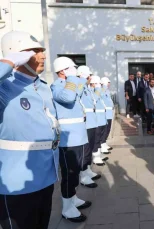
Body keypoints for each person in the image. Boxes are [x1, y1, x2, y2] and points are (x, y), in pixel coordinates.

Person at [0, 31, 59, 229]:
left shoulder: (42, 87)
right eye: (34, 51)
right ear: (18, 55)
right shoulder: (4, 87)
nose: (42, 55)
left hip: (45, 176)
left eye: (42, 50)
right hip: (16, 181)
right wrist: (8, 62)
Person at [52, 57, 92, 223]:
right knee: (69, 174)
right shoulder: (57, 86)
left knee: (75, 171)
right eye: (71, 68)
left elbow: (79, 93)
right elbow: (68, 98)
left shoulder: (70, 84)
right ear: (62, 71)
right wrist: (74, 79)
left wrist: (79, 80)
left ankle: (73, 199)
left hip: (78, 135)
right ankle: (67, 209)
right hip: (68, 139)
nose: (74, 71)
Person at [77, 66, 104, 187]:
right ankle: (83, 176)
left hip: (92, 122)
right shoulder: (79, 86)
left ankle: (87, 170)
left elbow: (95, 100)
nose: (89, 78)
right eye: (88, 76)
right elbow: (75, 94)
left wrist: (97, 88)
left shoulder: (88, 89)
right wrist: (82, 80)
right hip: (86, 123)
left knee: (91, 146)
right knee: (86, 150)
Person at [90, 75, 109, 165]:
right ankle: (96, 157)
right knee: (96, 139)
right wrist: (98, 88)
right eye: (97, 84)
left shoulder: (96, 91)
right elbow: (95, 99)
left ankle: (98, 154)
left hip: (101, 118)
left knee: (100, 137)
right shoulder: (91, 91)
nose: (99, 86)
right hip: (96, 119)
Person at [100, 77, 114, 151]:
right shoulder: (102, 90)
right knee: (105, 129)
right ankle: (102, 143)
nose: (109, 84)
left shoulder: (107, 91)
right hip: (105, 112)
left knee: (108, 128)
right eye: (108, 83)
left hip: (109, 112)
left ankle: (104, 142)